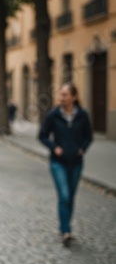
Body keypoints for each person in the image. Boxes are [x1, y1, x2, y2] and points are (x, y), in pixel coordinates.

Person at [38, 83, 92, 247]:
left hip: (76, 162)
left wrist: (82, 148)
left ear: (74, 97)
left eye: (65, 95)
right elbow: (42, 135)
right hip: (58, 162)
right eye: (61, 94)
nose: (62, 97)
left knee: (71, 196)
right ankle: (66, 230)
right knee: (64, 195)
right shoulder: (53, 114)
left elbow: (88, 136)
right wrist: (55, 148)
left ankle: (65, 227)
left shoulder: (82, 115)